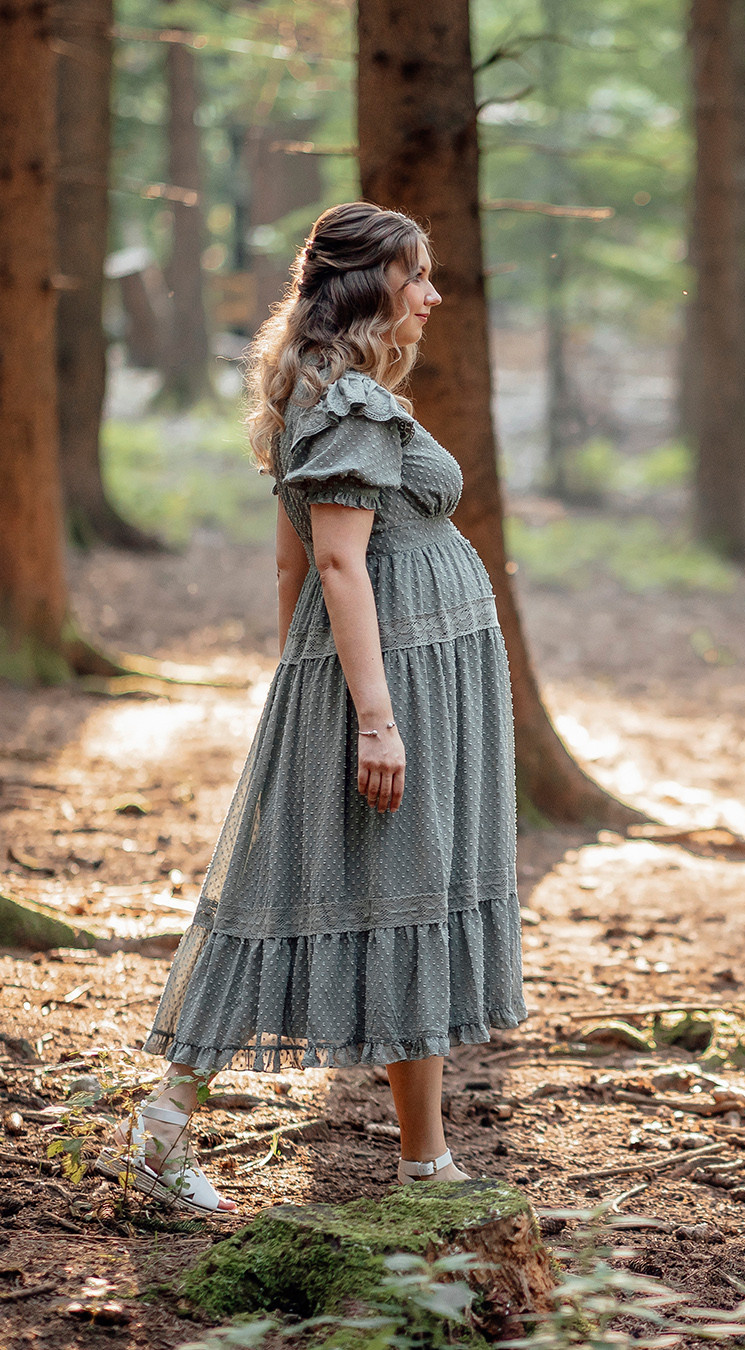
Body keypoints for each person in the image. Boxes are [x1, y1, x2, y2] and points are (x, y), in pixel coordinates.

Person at [97, 201, 528, 1216]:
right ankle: (176, 1131)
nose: (433, 294)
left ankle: (421, 1159)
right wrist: (367, 716)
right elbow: (333, 562)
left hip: (388, 674)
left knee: (391, 897)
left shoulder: (331, 393)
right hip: (392, 682)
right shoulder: (345, 407)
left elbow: (290, 567)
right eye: (417, 275)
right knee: (328, 892)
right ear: (371, 285)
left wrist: (306, 687)